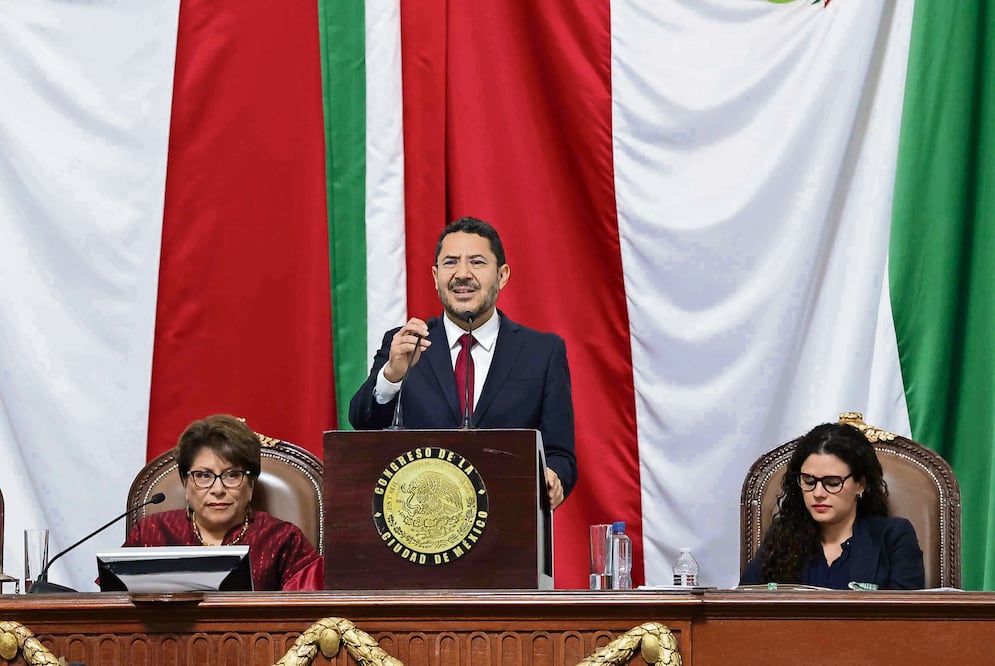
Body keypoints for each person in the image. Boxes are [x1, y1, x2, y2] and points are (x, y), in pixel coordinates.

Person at [349, 216, 577, 509]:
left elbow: (560, 453)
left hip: (509, 527)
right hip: (421, 527)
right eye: (451, 262)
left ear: (502, 275)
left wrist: (554, 476)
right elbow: (361, 423)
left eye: (477, 262)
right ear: (435, 276)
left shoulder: (542, 352)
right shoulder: (405, 344)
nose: (462, 273)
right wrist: (391, 376)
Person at [124, 414, 322, 591]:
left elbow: (309, 614)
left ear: (251, 485)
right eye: (203, 476)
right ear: (185, 483)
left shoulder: (283, 539)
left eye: (232, 475)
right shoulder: (152, 533)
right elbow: (114, 608)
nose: (218, 490)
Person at [740, 422, 925, 589]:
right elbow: (744, 607)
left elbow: (906, 619)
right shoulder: (782, 536)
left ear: (860, 484)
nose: (818, 493)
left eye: (833, 483)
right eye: (809, 481)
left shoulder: (893, 536)